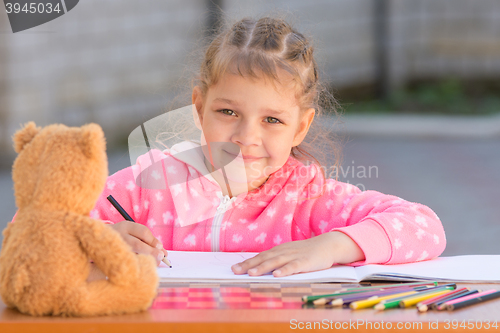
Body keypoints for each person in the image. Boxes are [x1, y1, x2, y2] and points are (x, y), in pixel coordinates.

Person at [90, 15, 446, 278]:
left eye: (272, 120)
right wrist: (97, 237)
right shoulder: (145, 186)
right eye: (228, 112)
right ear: (199, 109)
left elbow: (423, 226)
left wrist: (332, 246)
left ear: (300, 128)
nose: (247, 136)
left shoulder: (309, 200)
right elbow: (46, 226)